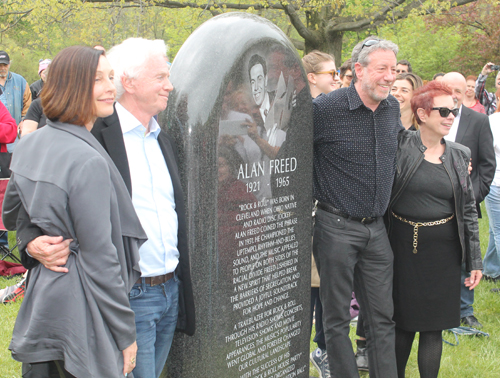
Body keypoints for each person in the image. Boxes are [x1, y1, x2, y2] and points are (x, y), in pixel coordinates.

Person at [15, 38, 196, 378]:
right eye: (160, 77)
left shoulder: (163, 136)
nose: (170, 85)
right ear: (130, 82)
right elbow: (31, 203)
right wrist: (30, 242)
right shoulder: (90, 133)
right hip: (127, 294)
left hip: (169, 288)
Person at [2, 45, 145, 378]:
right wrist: (126, 335)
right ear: (71, 84)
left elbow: (12, 216)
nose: (111, 87)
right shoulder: (88, 160)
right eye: (98, 79)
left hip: (44, 306)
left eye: (111, 77)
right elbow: (101, 258)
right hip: (83, 311)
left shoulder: (30, 144)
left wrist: (35, 237)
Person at [313, 36, 401, 378]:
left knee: (382, 317)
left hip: (376, 230)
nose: (390, 77)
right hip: (335, 227)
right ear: (358, 70)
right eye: (383, 69)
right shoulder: (325, 109)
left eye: (393, 70)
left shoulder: (391, 109)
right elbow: (292, 154)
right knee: (336, 319)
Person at [388, 81, 482, 378]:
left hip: (444, 253)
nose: (450, 117)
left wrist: (475, 261)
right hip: (401, 248)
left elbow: (467, 209)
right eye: (443, 111)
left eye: (453, 111)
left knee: (433, 328)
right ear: (422, 114)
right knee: (403, 324)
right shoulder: (398, 145)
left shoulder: (459, 154)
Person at [442, 72, 495, 329]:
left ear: (466, 93)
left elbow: (487, 165)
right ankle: (437, 304)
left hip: (466, 201)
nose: (452, 95)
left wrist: (473, 196)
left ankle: (465, 309)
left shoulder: (478, 121)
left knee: (467, 256)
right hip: (433, 200)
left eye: (457, 91)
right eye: (447, 89)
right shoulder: (431, 117)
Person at [302, 49, 337, 378]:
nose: (336, 78)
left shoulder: (332, 111)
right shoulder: (302, 112)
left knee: (327, 284)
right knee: (309, 287)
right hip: (303, 211)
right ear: (312, 77)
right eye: (330, 73)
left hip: (327, 212)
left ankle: (324, 349)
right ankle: (306, 352)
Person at [0, 50, 32, 152]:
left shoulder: (20, 81)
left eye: (5, 65)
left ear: (9, 64)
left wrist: (24, 120)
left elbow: (28, 103)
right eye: (0, 65)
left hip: (16, 133)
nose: (2, 68)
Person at [483, 108, 500, 283]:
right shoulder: (493, 120)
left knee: (498, 230)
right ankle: (491, 270)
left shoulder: (493, 120)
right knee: (496, 229)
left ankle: (491, 270)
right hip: (495, 182)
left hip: (496, 182)